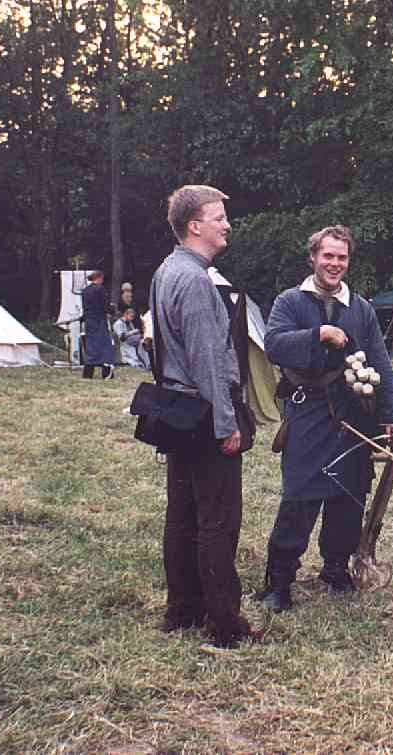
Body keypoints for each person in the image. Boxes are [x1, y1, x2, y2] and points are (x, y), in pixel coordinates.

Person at [255, 225, 393, 613]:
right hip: (308, 410)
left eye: (342, 257)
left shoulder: (361, 309)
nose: (335, 264)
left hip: (354, 414)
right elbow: (274, 345)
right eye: (328, 256)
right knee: (300, 494)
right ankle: (279, 581)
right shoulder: (290, 301)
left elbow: (379, 361)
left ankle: (335, 569)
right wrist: (319, 333)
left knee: (349, 493)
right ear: (313, 258)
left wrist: (392, 414)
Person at [151, 184, 258, 648]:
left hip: (179, 411)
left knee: (183, 516)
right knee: (217, 521)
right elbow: (207, 360)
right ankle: (224, 625)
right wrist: (226, 423)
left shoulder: (166, 271)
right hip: (204, 411)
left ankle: (182, 611)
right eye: (219, 218)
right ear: (195, 226)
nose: (227, 225)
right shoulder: (194, 281)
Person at [80, 270, 115, 379]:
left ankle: (88, 373)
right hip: (99, 320)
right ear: (99, 278)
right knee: (104, 346)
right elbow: (105, 305)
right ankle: (106, 372)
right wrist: (112, 310)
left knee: (91, 346)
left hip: (89, 321)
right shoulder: (100, 289)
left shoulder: (85, 290)